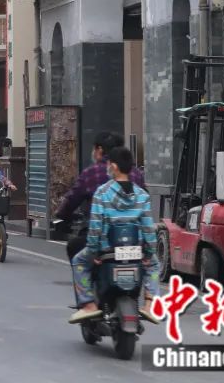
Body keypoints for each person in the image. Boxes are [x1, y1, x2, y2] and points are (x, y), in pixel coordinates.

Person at [68, 146, 160, 324]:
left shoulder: (102, 193)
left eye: (109, 164)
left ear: (115, 167)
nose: (107, 167)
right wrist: (149, 253)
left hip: (108, 249)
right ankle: (149, 304)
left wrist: (94, 251)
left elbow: (96, 227)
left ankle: (88, 305)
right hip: (136, 251)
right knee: (154, 266)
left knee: (79, 261)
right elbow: (148, 228)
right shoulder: (141, 195)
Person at [55, 132, 147, 259]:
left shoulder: (94, 179)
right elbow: (147, 217)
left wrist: (62, 215)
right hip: (134, 238)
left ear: (100, 150)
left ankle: (83, 279)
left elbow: (72, 201)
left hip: (101, 239)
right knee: (151, 270)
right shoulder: (137, 175)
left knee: (76, 253)